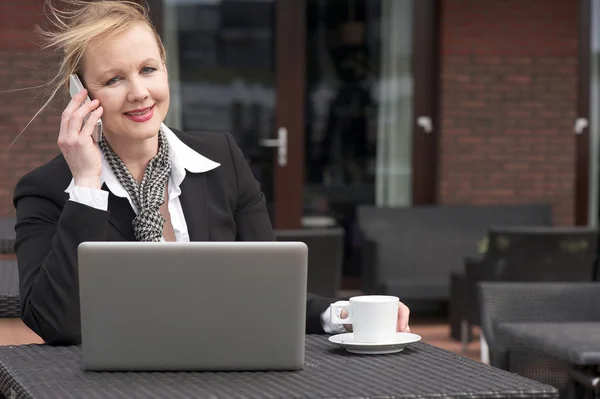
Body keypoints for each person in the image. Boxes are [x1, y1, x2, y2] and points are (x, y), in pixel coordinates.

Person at [12, 0, 410, 345]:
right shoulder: (47, 190)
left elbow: (270, 293)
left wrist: (344, 315)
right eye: (114, 79)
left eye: (148, 69)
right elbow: (55, 323)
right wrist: (85, 185)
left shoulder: (223, 159)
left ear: (166, 70)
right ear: (80, 93)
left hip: (223, 376)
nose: (138, 92)